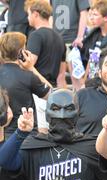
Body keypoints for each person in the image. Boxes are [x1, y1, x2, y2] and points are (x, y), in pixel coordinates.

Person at [25, 0, 66, 134]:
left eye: (29, 14)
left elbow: (28, 64)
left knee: (40, 135)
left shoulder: (35, 35)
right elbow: (61, 75)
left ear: (36, 14)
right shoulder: (60, 38)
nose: (28, 18)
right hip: (52, 92)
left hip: (38, 92)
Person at [0, 32, 52, 136]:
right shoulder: (28, 76)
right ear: (22, 53)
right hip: (25, 136)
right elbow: (52, 95)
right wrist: (31, 68)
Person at [51, 0, 90, 90]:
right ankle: (64, 103)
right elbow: (50, 15)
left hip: (72, 41)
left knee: (76, 76)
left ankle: (81, 102)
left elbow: (84, 13)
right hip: (57, 40)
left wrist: (80, 36)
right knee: (59, 77)